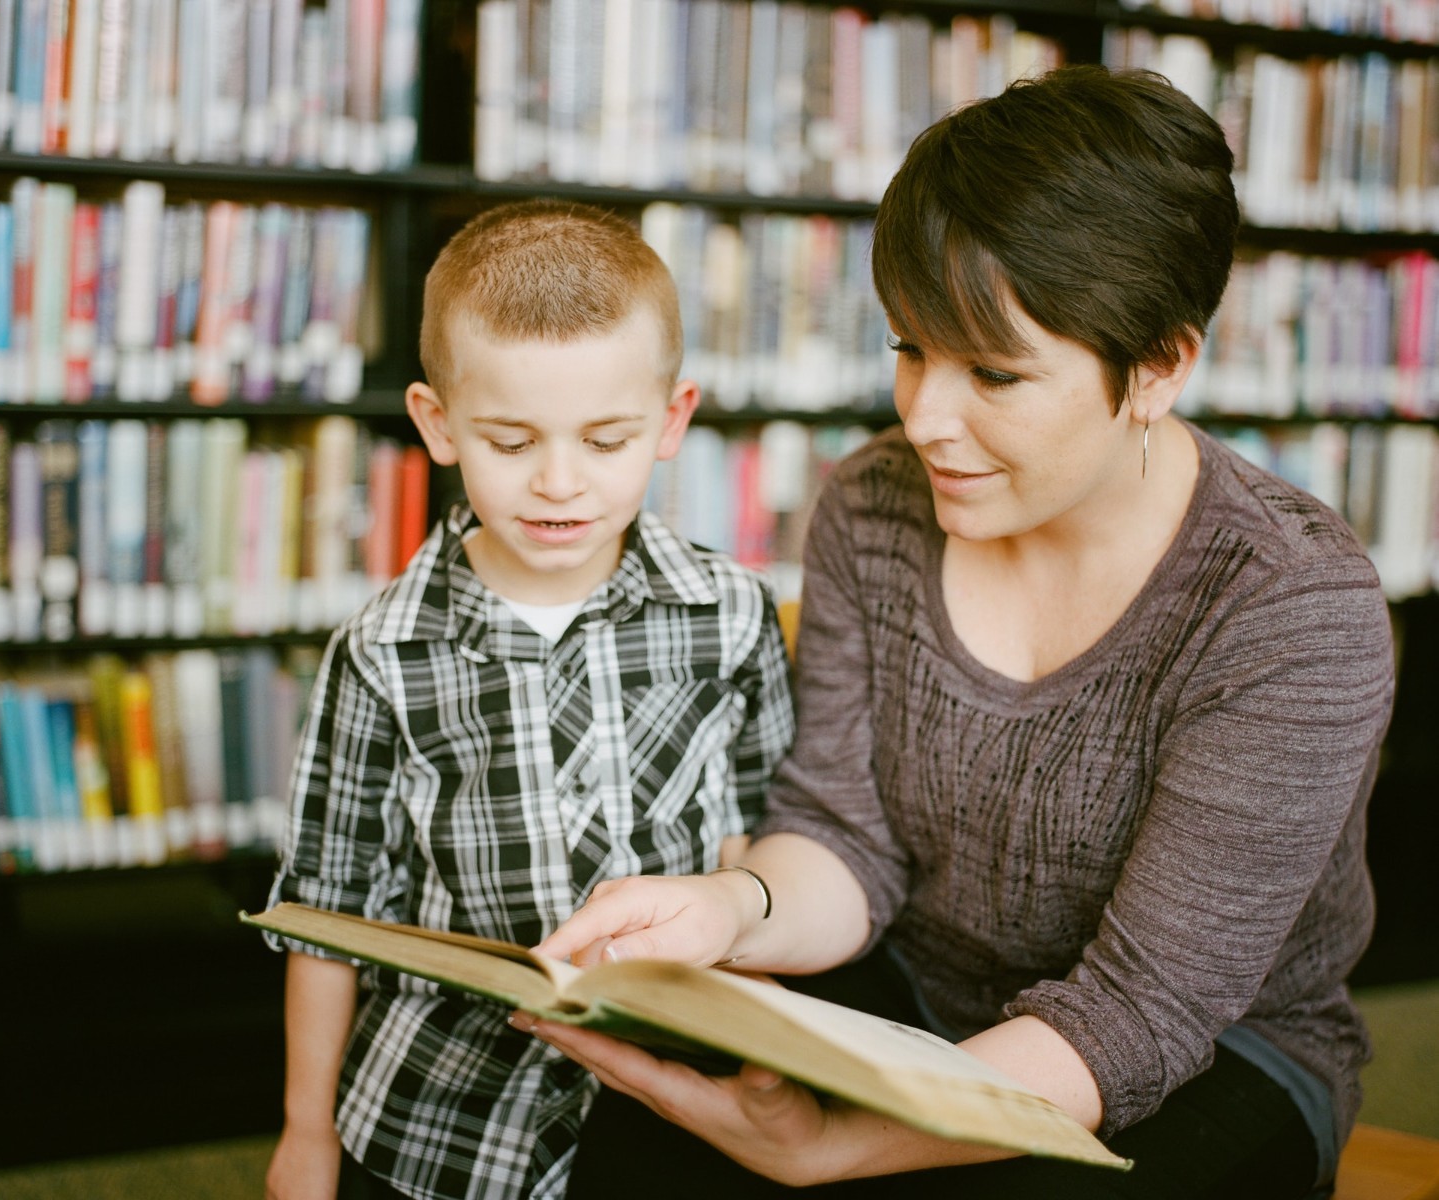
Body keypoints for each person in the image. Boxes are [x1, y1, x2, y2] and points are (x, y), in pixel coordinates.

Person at [522, 66, 1396, 1200]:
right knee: (644, 1145)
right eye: (910, 349)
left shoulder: (1289, 607)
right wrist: (726, 908)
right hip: (920, 993)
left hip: (1215, 1059)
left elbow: (1142, 1014)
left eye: (994, 371)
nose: (927, 418)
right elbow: (846, 839)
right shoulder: (874, 505)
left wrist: (837, 1144)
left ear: (1161, 367)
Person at [262, 199, 795, 1200]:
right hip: (443, 1118)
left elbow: (759, 836)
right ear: (439, 424)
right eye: (512, 441)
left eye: (606, 440)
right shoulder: (382, 650)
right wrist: (305, 1135)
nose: (560, 484)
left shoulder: (728, 613)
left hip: (673, 1102)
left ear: (673, 420)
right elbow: (322, 915)